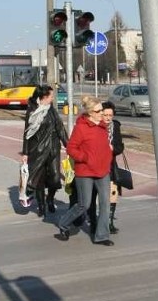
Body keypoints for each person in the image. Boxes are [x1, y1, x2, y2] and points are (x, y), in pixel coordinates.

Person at [57, 96, 115, 246]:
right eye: (99, 110)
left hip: (103, 171)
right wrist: (85, 158)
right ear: (90, 113)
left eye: (102, 109)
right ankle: (64, 223)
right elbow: (71, 148)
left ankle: (101, 235)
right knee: (85, 204)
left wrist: (107, 155)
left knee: (105, 203)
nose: (102, 113)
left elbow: (103, 146)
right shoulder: (81, 128)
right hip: (85, 172)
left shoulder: (103, 126)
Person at [21, 85, 68, 218]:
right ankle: (41, 205)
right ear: (43, 97)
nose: (53, 98)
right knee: (39, 180)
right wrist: (25, 153)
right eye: (51, 96)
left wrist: (69, 146)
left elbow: (60, 128)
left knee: (55, 178)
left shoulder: (51, 110)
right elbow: (26, 134)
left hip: (53, 148)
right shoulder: (31, 111)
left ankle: (50, 199)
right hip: (37, 149)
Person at [88, 101, 124, 235]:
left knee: (112, 193)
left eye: (111, 115)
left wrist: (112, 148)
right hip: (93, 166)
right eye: (106, 115)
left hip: (110, 165)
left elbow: (120, 146)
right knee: (92, 195)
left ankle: (109, 222)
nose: (108, 118)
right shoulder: (94, 126)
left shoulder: (115, 126)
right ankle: (93, 221)